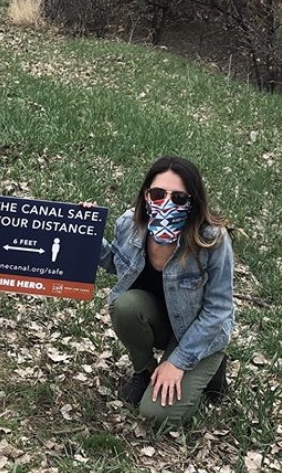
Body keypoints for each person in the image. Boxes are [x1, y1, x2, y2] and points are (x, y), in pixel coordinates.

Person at [97, 155, 234, 424]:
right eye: (158, 194)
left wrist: (178, 362)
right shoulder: (130, 224)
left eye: (179, 198)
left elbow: (219, 310)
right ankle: (145, 370)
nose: (166, 204)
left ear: (193, 201)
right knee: (124, 306)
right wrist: (85, 230)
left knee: (156, 415)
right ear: (146, 195)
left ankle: (213, 367)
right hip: (161, 321)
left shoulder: (212, 240)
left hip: (199, 334)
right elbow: (116, 263)